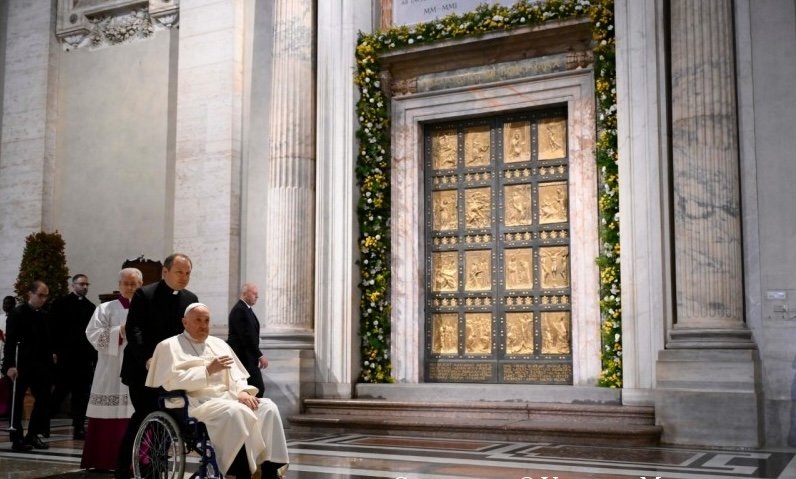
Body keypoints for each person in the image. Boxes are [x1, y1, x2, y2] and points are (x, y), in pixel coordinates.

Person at [147, 303, 288, 479]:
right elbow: (170, 381)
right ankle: (240, 472)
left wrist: (243, 392)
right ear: (185, 322)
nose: (203, 325)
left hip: (230, 398)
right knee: (235, 412)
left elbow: (237, 376)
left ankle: (269, 470)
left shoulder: (219, 344)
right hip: (197, 403)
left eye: (206, 321)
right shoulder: (169, 346)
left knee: (268, 407)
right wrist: (207, 371)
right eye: (198, 320)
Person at [115, 253, 198, 479]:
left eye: (188, 273)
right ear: (165, 272)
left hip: (172, 372)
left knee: (166, 416)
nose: (184, 277)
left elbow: (191, 334)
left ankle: (156, 465)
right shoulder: (145, 294)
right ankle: (123, 467)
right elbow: (135, 329)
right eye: (179, 272)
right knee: (143, 415)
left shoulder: (191, 298)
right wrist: (148, 358)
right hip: (143, 369)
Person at [81, 268, 142, 471]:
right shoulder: (105, 308)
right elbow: (92, 333)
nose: (130, 287)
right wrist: (119, 332)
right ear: (119, 285)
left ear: (141, 285)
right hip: (110, 368)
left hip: (138, 368)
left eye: (134, 284)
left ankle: (135, 461)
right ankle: (104, 460)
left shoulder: (147, 307)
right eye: (126, 283)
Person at [1, 281, 54, 451]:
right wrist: (9, 365)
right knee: (16, 402)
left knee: (43, 399)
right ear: (30, 294)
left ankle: (33, 434)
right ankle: (17, 439)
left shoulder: (44, 315)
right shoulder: (17, 313)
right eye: (40, 295)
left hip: (40, 366)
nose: (43, 299)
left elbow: (46, 342)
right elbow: (10, 343)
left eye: (45, 296)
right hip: (20, 365)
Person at [49, 274, 97, 440]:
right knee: (59, 393)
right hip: (65, 358)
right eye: (81, 284)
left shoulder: (91, 307)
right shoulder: (60, 304)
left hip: (83, 359)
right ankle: (43, 424)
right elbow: (53, 329)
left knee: (81, 396)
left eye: (86, 284)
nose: (84, 287)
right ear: (73, 285)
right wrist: (54, 351)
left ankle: (78, 428)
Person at [227, 283, 268, 398]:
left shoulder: (246, 309)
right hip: (243, 359)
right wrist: (260, 355)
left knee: (255, 390)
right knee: (257, 389)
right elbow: (246, 336)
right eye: (254, 293)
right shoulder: (239, 310)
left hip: (249, 359)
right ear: (245, 293)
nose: (257, 296)